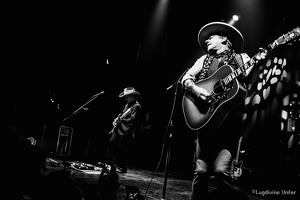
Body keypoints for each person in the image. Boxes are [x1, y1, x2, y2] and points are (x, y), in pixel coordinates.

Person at [180, 21, 267, 200]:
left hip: (229, 126)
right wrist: (197, 90)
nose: (206, 42)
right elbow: (186, 77)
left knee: (221, 172)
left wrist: (259, 63)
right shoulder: (203, 60)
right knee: (201, 171)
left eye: (211, 38)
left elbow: (249, 79)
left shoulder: (242, 58)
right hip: (205, 123)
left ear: (224, 39)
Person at [106, 87, 142, 173]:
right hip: (120, 127)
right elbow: (123, 115)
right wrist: (118, 119)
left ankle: (123, 167)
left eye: (127, 97)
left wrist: (121, 120)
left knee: (122, 148)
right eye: (125, 97)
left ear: (133, 96)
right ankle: (109, 164)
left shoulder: (137, 106)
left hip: (127, 129)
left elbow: (133, 119)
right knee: (111, 143)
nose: (125, 99)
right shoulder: (127, 105)